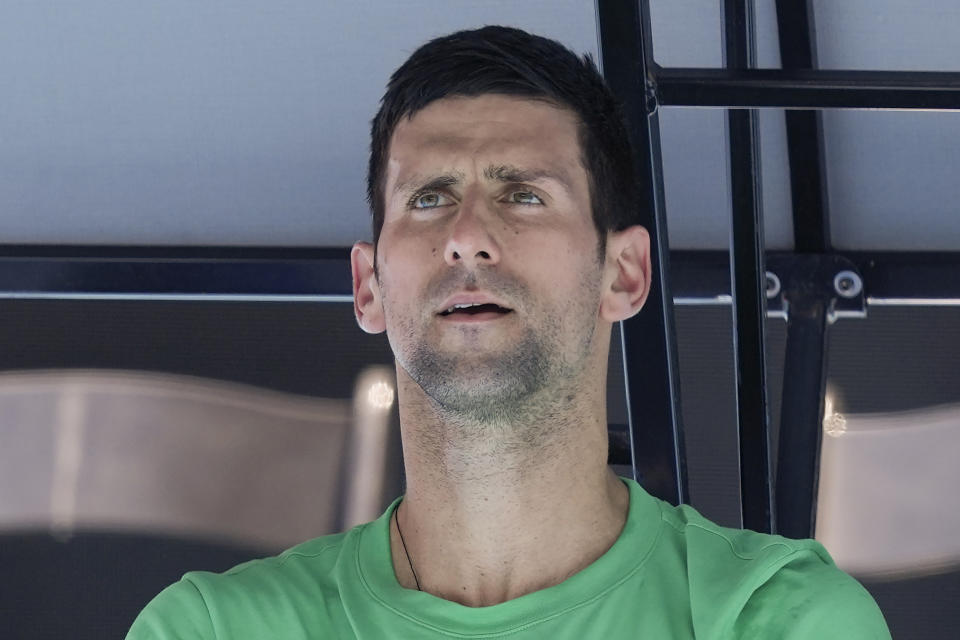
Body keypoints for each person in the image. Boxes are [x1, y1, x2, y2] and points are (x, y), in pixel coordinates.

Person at [127, 26, 890, 639]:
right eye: (429, 198)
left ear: (622, 274)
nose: (467, 237)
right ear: (369, 286)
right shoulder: (210, 629)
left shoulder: (777, 620)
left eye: (523, 195)